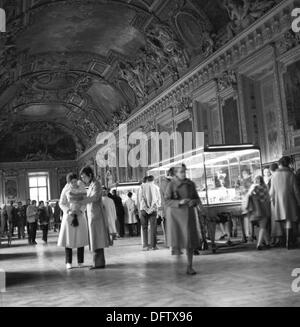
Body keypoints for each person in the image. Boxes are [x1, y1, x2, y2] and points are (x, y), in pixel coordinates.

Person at [164, 164, 201, 275]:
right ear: (176, 173)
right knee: (178, 240)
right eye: (181, 172)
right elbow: (166, 201)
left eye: (184, 171)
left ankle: (189, 266)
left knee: (189, 241)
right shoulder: (171, 185)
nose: (183, 174)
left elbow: (197, 198)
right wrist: (179, 202)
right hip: (176, 216)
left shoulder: (190, 184)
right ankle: (178, 261)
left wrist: (193, 202)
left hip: (189, 215)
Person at [80, 166, 110, 269]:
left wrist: (83, 201)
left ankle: (99, 263)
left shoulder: (96, 184)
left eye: (84, 177)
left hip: (96, 216)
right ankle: (97, 262)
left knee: (97, 239)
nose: (83, 179)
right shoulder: (91, 185)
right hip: (92, 215)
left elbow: (95, 197)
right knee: (94, 239)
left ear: (90, 175)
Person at [58, 173, 89, 270]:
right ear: (69, 182)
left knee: (80, 239)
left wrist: (81, 210)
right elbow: (61, 203)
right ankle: (68, 261)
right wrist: (68, 211)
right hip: (69, 217)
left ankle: (80, 261)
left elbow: (86, 201)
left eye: (75, 181)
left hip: (80, 215)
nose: (74, 183)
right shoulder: (66, 190)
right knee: (68, 239)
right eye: (72, 182)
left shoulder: (82, 188)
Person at [270, 156, 300, 249]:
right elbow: (296, 190)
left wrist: (272, 201)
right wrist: (299, 201)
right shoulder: (291, 174)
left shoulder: (274, 175)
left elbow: (271, 192)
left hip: (278, 200)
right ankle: (289, 243)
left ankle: (287, 242)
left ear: (280, 164)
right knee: (289, 220)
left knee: (285, 221)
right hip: (290, 200)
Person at [247, 176, 271, 250]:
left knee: (261, 227)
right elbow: (268, 198)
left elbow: (249, 196)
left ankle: (267, 243)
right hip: (264, 209)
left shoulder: (253, 187)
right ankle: (259, 244)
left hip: (256, 210)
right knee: (263, 227)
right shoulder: (265, 187)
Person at [140, 175, 161, 251]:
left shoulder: (142, 187)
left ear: (147, 180)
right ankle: (153, 246)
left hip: (143, 210)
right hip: (153, 210)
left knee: (144, 228)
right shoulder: (156, 187)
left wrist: (146, 209)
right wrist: (152, 209)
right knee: (153, 228)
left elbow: (141, 199)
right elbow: (158, 200)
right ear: (153, 180)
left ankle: (145, 246)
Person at [238, 169, 254, 243]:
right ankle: (249, 235)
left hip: (247, 202)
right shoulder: (249, 180)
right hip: (248, 202)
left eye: (244, 174)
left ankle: (248, 235)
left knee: (247, 219)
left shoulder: (246, 181)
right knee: (248, 219)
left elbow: (243, 191)